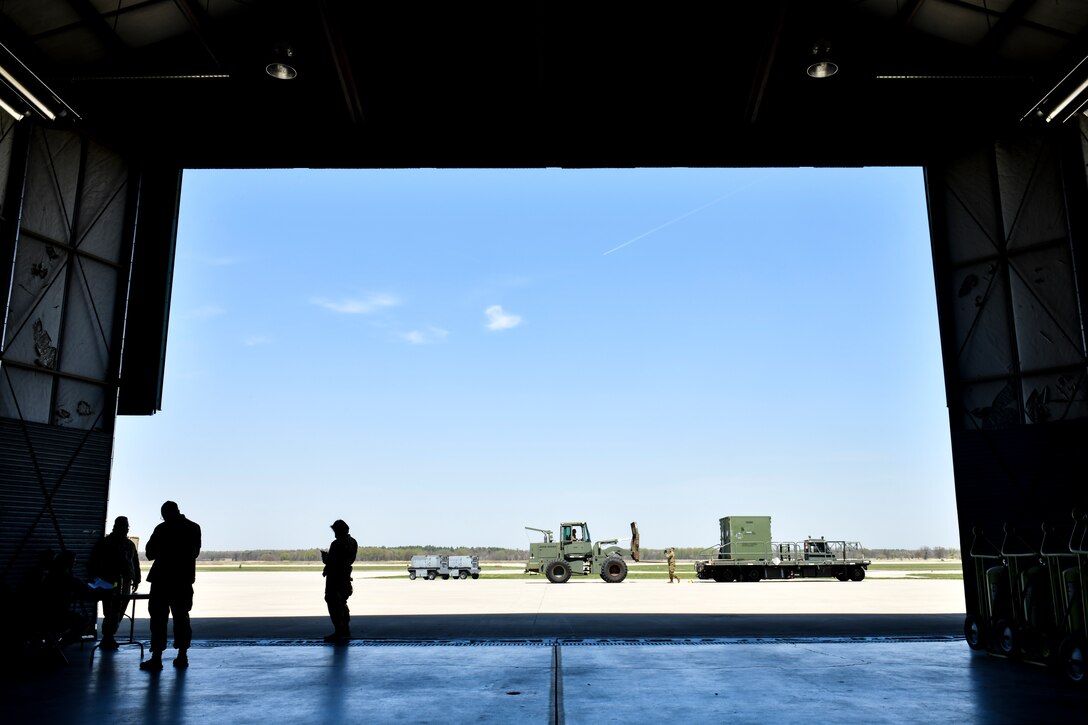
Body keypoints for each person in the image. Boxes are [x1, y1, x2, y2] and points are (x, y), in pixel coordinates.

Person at [140, 501, 201, 671]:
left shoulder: (162, 529)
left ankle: (157, 657)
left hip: (161, 580)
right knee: (181, 618)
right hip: (183, 580)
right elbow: (194, 553)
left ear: (165, 514)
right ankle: (182, 655)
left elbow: (150, 553)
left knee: (158, 619)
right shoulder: (193, 528)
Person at [88, 516, 141, 650]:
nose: (126, 529)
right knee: (111, 610)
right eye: (124, 526)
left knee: (120, 610)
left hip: (126, 582)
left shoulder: (129, 544)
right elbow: (95, 562)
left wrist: (137, 579)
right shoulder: (106, 543)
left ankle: (110, 635)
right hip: (111, 582)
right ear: (117, 527)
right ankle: (108, 636)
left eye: (127, 526)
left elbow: (135, 562)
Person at [321, 519, 358, 643]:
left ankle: (339, 631)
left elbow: (332, 562)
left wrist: (325, 558)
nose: (334, 533)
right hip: (345, 577)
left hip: (335, 578)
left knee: (333, 602)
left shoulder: (336, 544)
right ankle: (345, 629)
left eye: (335, 530)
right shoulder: (353, 542)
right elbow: (349, 560)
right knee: (342, 602)